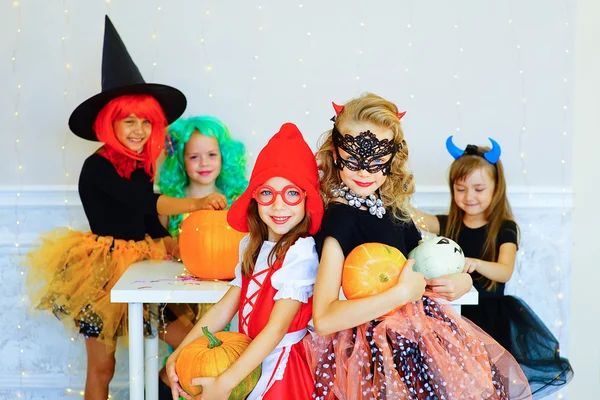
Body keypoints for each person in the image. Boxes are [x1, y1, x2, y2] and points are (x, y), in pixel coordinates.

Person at [25, 16, 226, 400]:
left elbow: (148, 218)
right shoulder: (97, 167)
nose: (138, 130)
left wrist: (174, 243)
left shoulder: (140, 166)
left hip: (145, 264)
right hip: (100, 273)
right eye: (127, 120)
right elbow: (145, 202)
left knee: (192, 341)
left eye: (146, 121)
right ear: (108, 124)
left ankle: (169, 383)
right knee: (103, 366)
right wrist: (197, 203)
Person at [305, 93, 532, 399]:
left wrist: (461, 280)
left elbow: (421, 273)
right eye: (353, 158)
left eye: (376, 161)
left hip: (418, 350)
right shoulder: (339, 219)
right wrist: (400, 294)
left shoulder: (393, 210)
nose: (363, 171)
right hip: (369, 361)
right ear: (335, 153)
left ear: (392, 158)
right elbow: (325, 319)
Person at [166, 122, 323, 400]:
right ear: (254, 199)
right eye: (267, 193)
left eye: (291, 193)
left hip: (281, 367)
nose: (278, 205)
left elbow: (275, 330)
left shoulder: (301, 253)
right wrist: (179, 354)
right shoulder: (252, 245)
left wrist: (226, 382)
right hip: (246, 359)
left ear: (306, 199)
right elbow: (224, 310)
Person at [411, 136, 573, 398]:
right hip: (455, 317)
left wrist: (475, 263)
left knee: (490, 384)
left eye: (478, 188)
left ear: (496, 188)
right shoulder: (448, 224)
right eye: (460, 188)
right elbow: (415, 218)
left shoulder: (505, 228)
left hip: (491, 319)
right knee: (454, 382)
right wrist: (399, 194)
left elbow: (504, 270)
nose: (469, 196)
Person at [156, 115, 248, 395]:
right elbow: (159, 243)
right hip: (178, 296)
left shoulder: (236, 199)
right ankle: (168, 381)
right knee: (189, 353)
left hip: (221, 295)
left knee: (216, 357)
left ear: (224, 157)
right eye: (194, 156)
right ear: (181, 161)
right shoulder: (171, 202)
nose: (204, 163)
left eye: (211, 154)